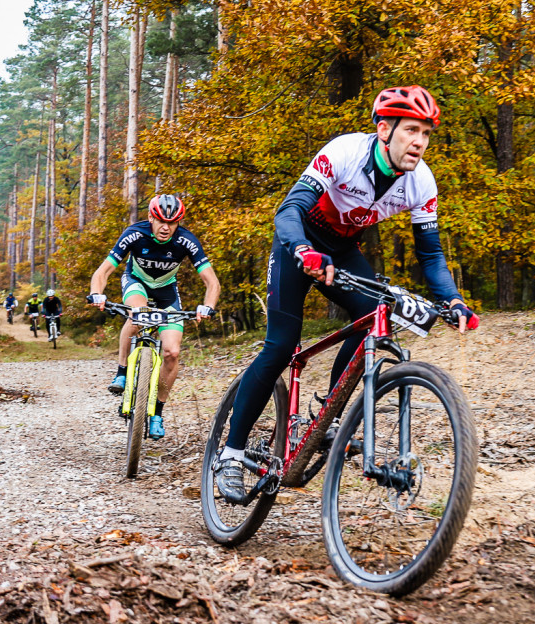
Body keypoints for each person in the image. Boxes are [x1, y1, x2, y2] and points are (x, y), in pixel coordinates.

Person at [214, 85, 479, 503]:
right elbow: (289, 210)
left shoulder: (421, 183)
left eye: (426, 134)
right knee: (281, 346)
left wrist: (454, 300)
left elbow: (431, 255)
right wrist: (303, 250)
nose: (420, 142)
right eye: (412, 130)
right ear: (384, 129)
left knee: (375, 316)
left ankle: (327, 416)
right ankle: (229, 454)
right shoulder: (345, 153)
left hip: (341, 250)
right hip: (298, 244)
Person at [86, 194, 220, 440]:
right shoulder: (134, 234)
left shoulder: (186, 241)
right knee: (139, 313)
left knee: (172, 352)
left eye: (172, 222)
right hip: (136, 282)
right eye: (160, 220)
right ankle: (122, 371)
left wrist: (207, 306)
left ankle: (157, 412)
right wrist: (97, 293)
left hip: (168, 293)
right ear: (150, 217)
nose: (166, 227)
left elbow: (211, 282)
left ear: (179, 222)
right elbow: (103, 271)